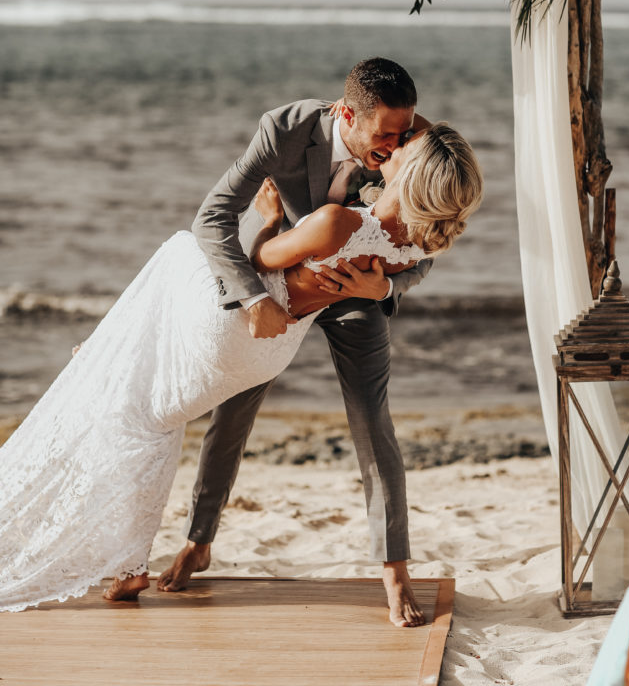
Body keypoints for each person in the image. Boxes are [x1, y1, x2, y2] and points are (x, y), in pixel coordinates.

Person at [0, 119, 483, 616]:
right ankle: (174, 548)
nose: (397, 140)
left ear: (414, 177)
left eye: (406, 141)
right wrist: (420, 156)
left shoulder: (339, 221)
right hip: (278, 339)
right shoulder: (416, 240)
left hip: (261, 312)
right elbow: (419, 169)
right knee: (193, 417)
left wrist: (271, 219)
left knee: (178, 251)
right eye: (398, 131)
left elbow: (260, 259)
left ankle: (103, 351)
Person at [159, 57, 435, 627]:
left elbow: (426, 241)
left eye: (402, 132)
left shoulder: (413, 142)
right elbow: (212, 217)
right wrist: (253, 301)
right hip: (284, 283)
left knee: (371, 420)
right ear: (345, 115)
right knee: (232, 412)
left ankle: (395, 571)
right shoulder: (286, 130)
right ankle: (199, 538)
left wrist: (384, 284)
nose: (394, 146)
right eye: (384, 134)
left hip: (354, 290)